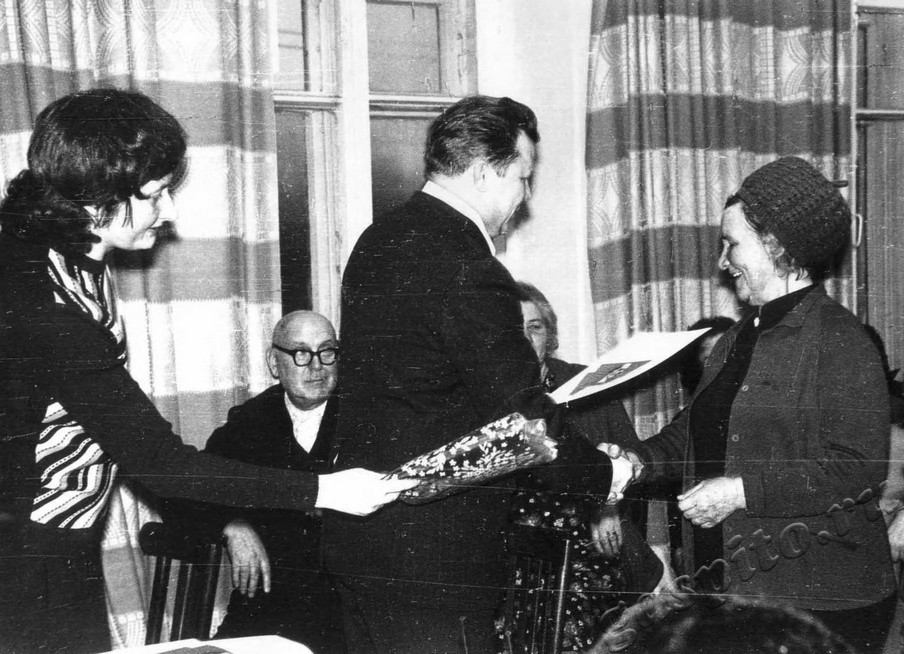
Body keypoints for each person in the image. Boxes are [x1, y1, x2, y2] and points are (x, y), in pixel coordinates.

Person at [0, 88, 413, 654]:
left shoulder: (70, 256)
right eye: (154, 194)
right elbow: (162, 463)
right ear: (95, 196)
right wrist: (327, 489)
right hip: (27, 557)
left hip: (53, 543)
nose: (169, 212)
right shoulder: (44, 306)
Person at [321, 95, 615, 652]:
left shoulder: (379, 239)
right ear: (483, 173)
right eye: (522, 179)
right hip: (434, 560)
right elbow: (522, 416)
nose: (524, 197)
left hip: (367, 544)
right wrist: (603, 475)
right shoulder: (469, 265)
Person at [602, 156, 896, 652]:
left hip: (820, 604)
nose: (723, 261)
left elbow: (858, 467)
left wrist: (740, 491)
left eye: (731, 243)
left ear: (775, 245)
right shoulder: (736, 339)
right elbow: (691, 433)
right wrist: (636, 464)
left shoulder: (841, 339)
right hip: (734, 590)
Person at [163, 310, 347, 652]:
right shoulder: (252, 421)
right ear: (274, 363)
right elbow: (179, 490)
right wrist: (231, 526)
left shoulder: (366, 417)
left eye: (327, 351)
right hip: (266, 608)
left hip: (347, 612)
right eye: (301, 353)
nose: (317, 366)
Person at [497, 281, 661, 651]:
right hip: (515, 548)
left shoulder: (586, 384)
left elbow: (632, 462)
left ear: (550, 336)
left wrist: (607, 504)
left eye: (535, 327)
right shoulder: (490, 393)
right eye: (514, 330)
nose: (525, 339)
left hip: (590, 543)